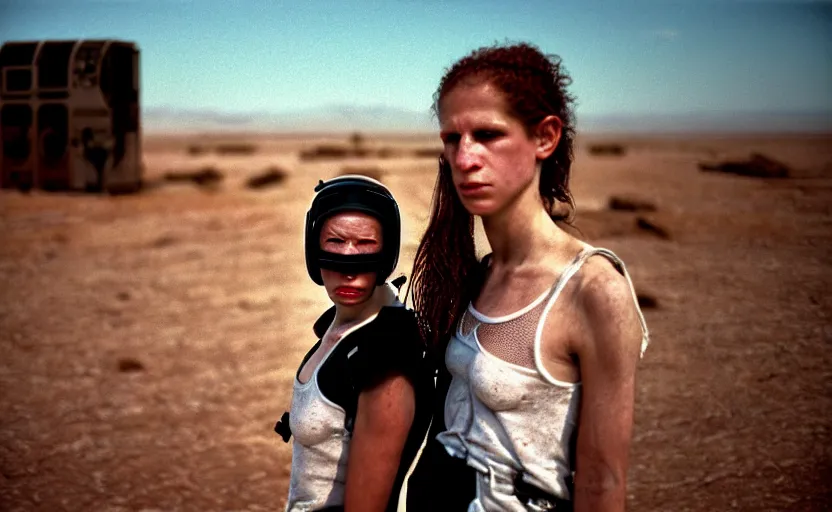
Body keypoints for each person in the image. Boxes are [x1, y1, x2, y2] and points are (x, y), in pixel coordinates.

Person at [406, 42, 650, 511]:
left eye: (487, 134)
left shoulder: (593, 291)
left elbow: (602, 484)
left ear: (545, 137)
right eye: (452, 139)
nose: (464, 158)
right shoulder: (478, 274)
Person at [275, 175, 434, 512]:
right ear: (313, 248)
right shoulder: (338, 330)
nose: (349, 265)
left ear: (387, 251)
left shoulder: (385, 355)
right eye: (335, 241)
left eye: (365, 244)